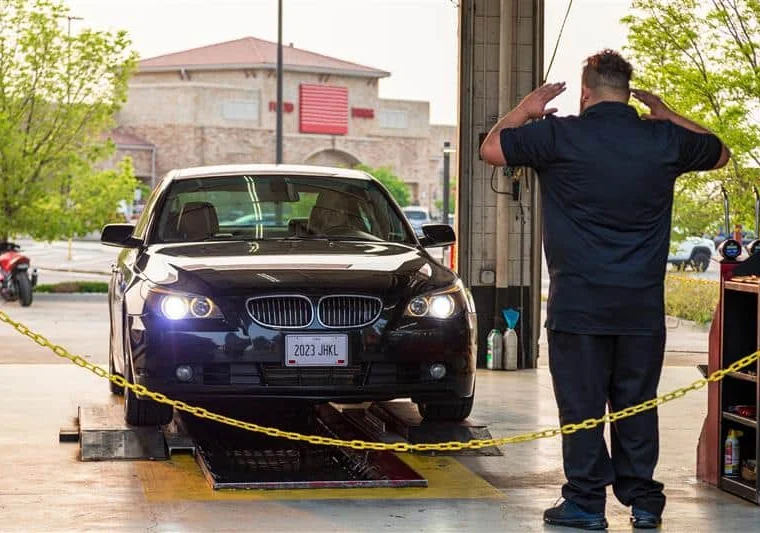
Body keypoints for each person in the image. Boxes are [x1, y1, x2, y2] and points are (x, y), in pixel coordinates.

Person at [480, 49, 730, 530]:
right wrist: (668, 113)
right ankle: (643, 503)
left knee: (582, 408)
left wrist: (526, 109)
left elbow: (492, 149)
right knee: (637, 404)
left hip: (579, 307)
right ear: (627, 90)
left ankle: (585, 504)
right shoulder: (662, 139)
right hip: (640, 307)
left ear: (586, 90)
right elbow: (719, 152)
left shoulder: (559, 135)